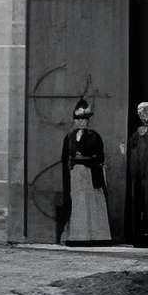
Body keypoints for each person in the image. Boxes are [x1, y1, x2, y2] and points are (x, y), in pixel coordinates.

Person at [60, 99, 112, 245]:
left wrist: (86, 160)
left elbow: (99, 156)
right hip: (75, 174)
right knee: (77, 203)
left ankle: (96, 236)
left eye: (84, 120)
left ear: (88, 121)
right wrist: (71, 165)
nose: (82, 122)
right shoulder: (69, 137)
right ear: (75, 120)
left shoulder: (94, 136)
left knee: (91, 202)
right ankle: (78, 236)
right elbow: (65, 157)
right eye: (79, 119)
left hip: (90, 174)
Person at [125, 99, 148, 248]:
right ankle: (140, 237)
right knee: (140, 203)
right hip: (140, 176)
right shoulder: (137, 132)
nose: (142, 115)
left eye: (146, 111)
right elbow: (132, 150)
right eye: (140, 113)